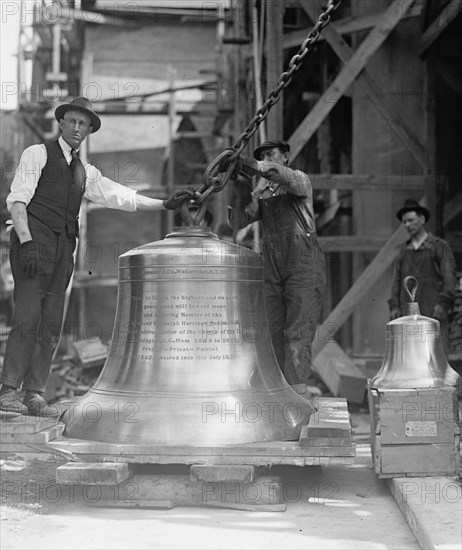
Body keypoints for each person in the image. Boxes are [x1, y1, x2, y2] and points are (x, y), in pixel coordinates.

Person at [0, 96, 196, 416]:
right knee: (27, 317)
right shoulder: (37, 154)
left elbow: (118, 195)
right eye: (73, 121)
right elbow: (18, 202)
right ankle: (8, 391)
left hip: (64, 250)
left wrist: (165, 204)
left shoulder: (85, 171)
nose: (77, 128)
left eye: (84, 124)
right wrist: (27, 241)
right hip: (33, 246)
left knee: (51, 322)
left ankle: (33, 393)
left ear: (89, 131)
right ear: (62, 123)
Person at [220, 139, 327, 389]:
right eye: (263, 156)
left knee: (296, 335)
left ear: (285, 157)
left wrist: (250, 164)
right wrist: (239, 189)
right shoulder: (263, 194)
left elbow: (282, 176)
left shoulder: (299, 180)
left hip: (303, 265)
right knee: (269, 331)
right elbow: (238, 222)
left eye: (271, 155)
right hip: (274, 264)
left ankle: (297, 394)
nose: (267, 160)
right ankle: (271, 391)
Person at [388, 199, 457, 350]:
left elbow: (449, 278)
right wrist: (394, 306)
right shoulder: (403, 251)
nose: (407, 225)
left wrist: (442, 306)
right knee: (410, 360)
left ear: (422, 219)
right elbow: (396, 282)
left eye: (410, 220)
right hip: (408, 317)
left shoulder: (439, 247)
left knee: (436, 360)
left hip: (433, 313)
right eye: (404, 222)